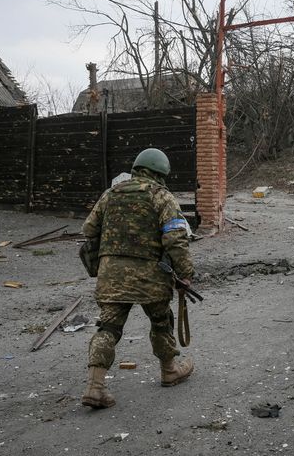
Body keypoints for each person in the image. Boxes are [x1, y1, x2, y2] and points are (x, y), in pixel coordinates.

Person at [81, 147, 195, 409]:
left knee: (108, 327)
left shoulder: (110, 194)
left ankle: (95, 387)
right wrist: (186, 274)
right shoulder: (162, 197)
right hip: (150, 277)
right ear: (161, 173)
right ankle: (169, 370)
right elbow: (176, 238)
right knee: (160, 321)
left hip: (111, 276)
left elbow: (88, 229)